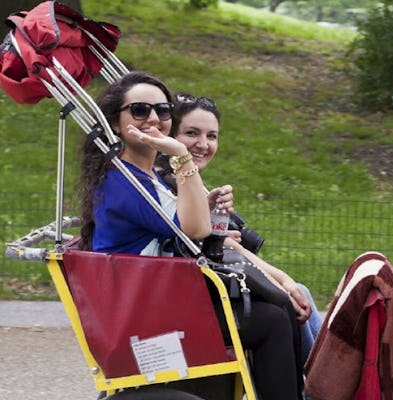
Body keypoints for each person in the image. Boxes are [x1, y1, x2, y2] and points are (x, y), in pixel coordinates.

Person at [76, 71, 302, 400]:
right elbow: (195, 229)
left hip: (161, 301)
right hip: (147, 320)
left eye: (163, 111)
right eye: (139, 110)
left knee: (274, 312)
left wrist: (200, 200)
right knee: (271, 322)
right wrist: (181, 158)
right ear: (115, 123)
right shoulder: (124, 184)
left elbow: (186, 223)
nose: (153, 118)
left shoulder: (143, 175)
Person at [165, 92, 323, 366]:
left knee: (299, 293)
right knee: (294, 297)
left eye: (212, 136)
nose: (203, 144)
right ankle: (325, 385)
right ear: (171, 136)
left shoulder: (188, 182)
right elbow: (222, 245)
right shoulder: (171, 184)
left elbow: (223, 243)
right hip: (192, 297)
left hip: (211, 283)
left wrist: (219, 231)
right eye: (192, 133)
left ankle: (325, 382)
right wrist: (280, 279)